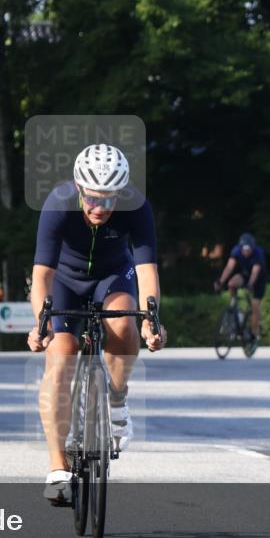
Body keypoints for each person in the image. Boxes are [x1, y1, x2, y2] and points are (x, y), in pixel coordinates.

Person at [27, 143, 167, 504]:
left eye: (109, 200)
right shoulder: (58, 203)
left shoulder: (137, 206)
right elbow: (41, 275)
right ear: (78, 188)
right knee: (61, 355)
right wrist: (40, 325)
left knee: (124, 324)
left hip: (112, 276)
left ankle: (118, 401)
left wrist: (152, 322)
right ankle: (58, 467)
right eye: (92, 199)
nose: (100, 208)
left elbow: (147, 272)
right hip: (64, 281)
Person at [215, 232, 266, 354]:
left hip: (258, 279)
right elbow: (229, 267)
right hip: (245, 274)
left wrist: (250, 285)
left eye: (249, 250)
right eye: (244, 249)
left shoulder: (258, 253)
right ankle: (233, 308)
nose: (246, 252)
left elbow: (255, 272)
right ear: (241, 247)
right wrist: (220, 281)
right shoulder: (236, 251)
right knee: (231, 283)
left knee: (255, 306)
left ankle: (254, 334)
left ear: (252, 248)